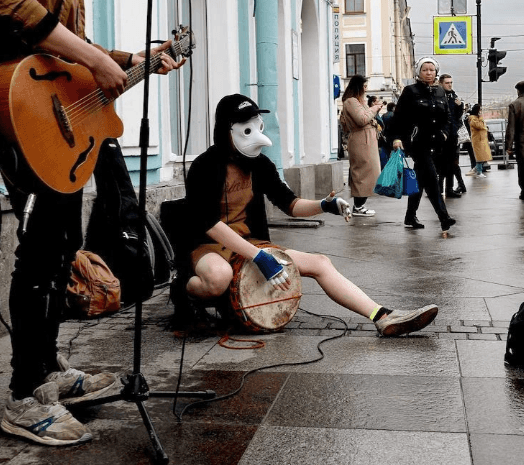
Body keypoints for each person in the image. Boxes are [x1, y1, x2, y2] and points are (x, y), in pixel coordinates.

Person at [0, 0, 186, 446]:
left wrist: (129, 58)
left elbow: (70, 50)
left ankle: (45, 372)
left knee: (59, 241)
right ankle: (22, 394)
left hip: (53, 106)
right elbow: (10, 1)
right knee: (42, 249)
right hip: (22, 106)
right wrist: (98, 62)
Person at [168, 94, 439, 335]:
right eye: (246, 126)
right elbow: (210, 224)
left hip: (248, 243)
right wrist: (259, 257)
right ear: (227, 130)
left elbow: (290, 204)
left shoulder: (259, 164)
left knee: (320, 262)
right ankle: (183, 290)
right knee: (218, 277)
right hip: (207, 246)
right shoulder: (205, 166)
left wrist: (324, 205)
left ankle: (382, 316)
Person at [386, 57, 456, 232]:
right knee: (432, 179)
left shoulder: (440, 92)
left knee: (420, 180)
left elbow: (447, 118)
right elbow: (398, 118)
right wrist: (396, 138)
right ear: (419, 72)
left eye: (432, 69)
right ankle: (444, 217)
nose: (429, 72)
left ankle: (410, 216)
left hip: (437, 144)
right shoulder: (410, 91)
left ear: (436, 72)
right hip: (417, 143)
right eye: (425, 69)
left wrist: (445, 134)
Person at [339, 76, 383, 216]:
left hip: (366, 140)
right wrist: (374, 108)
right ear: (358, 87)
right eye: (364, 86)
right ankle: (358, 206)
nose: (366, 89)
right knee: (363, 173)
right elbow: (362, 119)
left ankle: (360, 205)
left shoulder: (357, 101)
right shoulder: (351, 101)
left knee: (369, 173)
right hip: (361, 140)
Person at [438, 74, 466, 196]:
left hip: (452, 135)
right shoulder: (437, 96)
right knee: (440, 164)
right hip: (441, 135)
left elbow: (457, 116)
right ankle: (438, 189)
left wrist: (460, 106)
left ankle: (449, 189)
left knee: (450, 164)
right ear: (441, 83)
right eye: (447, 83)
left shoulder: (453, 96)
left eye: (451, 82)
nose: (449, 84)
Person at [467, 105, 492, 178]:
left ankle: (476, 169)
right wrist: (481, 119)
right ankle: (478, 171)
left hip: (481, 139)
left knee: (482, 156)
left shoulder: (476, 118)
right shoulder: (473, 119)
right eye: (480, 110)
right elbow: (480, 126)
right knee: (479, 157)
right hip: (478, 140)